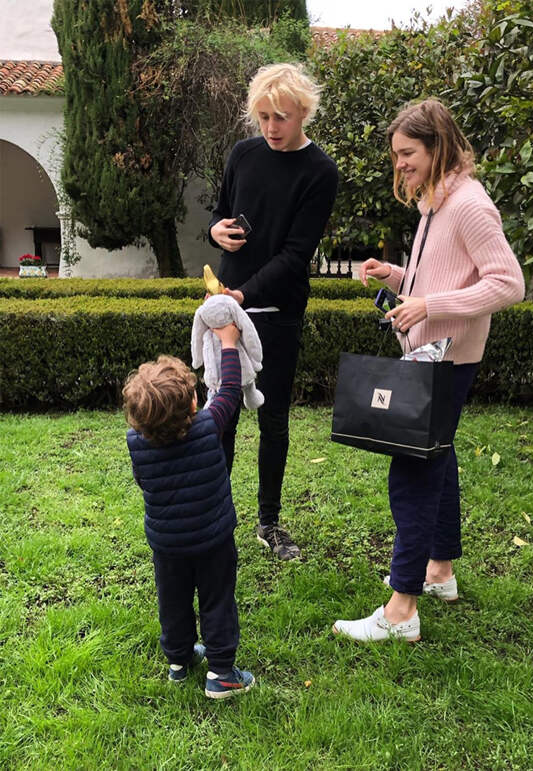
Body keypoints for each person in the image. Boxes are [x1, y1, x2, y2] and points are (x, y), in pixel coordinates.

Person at [332, 98, 525, 643]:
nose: (399, 164)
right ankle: (439, 571)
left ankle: (401, 610)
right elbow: (445, 275)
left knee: (413, 471)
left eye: (407, 153)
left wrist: (429, 306)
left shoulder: (469, 205)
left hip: (446, 358)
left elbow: (508, 283)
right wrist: (396, 277)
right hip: (434, 356)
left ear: (438, 147)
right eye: (396, 154)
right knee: (438, 457)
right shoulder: (438, 202)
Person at [208, 63, 339, 560]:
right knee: (222, 416)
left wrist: (244, 296)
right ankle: (217, 517)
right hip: (226, 304)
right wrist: (216, 231)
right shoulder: (242, 154)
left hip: (276, 311)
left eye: (280, 117)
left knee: (273, 419)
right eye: (262, 116)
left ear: (303, 112)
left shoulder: (320, 172)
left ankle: (269, 522)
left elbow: (295, 254)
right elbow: (220, 213)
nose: (270, 127)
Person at [123, 328, 255, 699]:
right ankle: (222, 674)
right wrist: (227, 343)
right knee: (217, 601)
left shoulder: (136, 443)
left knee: (173, 601)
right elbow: (230, 391)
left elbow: (142, 482)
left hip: (167, 545)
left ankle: (179, 662)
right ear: (193, 405)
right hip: (214, 541)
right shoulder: (209, 427)